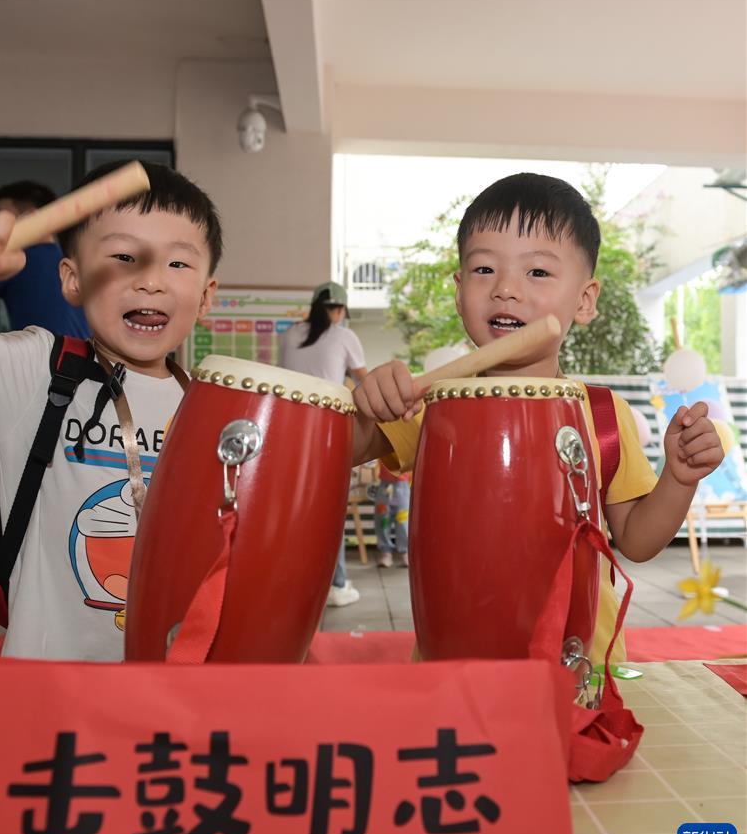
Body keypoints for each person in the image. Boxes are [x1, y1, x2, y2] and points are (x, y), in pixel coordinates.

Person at [352, 173, 724, 663]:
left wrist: (679, 478)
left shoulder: (602, 414)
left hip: (579, 674)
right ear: (459, 288)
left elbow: (635, 539)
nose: (505, 289)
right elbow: (341, 450)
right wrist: (368, 403)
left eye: (538, 273)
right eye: (484, 269)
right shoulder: (430, 405)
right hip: (455, 665)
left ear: (585, 300)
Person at [0, 161, 221, 661]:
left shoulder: (212, 405)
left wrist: (379, 414)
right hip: (46, 680)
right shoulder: (40, 367)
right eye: (125, 257)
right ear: (72, 279)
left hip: (171, 682)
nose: (151, 281)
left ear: (205, 297)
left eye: (177, 264)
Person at [279, 281, 368, 607]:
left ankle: (295, 583)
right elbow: (366, 383)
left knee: (294, 512)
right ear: (340, 309)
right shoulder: (344, 336)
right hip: (326, 435)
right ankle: (336, 584)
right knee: (330, 512)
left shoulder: (289, 335)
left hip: (287, 434)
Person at [0, 180, 91, 337]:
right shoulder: (75, 260)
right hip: (83, 359)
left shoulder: (14, 261)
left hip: (39, 360)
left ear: (31, 216)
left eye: (2, 216)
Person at [374, 461, 410, 568]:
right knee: (383, 520)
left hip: (402, 485)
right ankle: (386, 553)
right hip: (385, 484)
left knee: (403, 521)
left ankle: (405, 553)